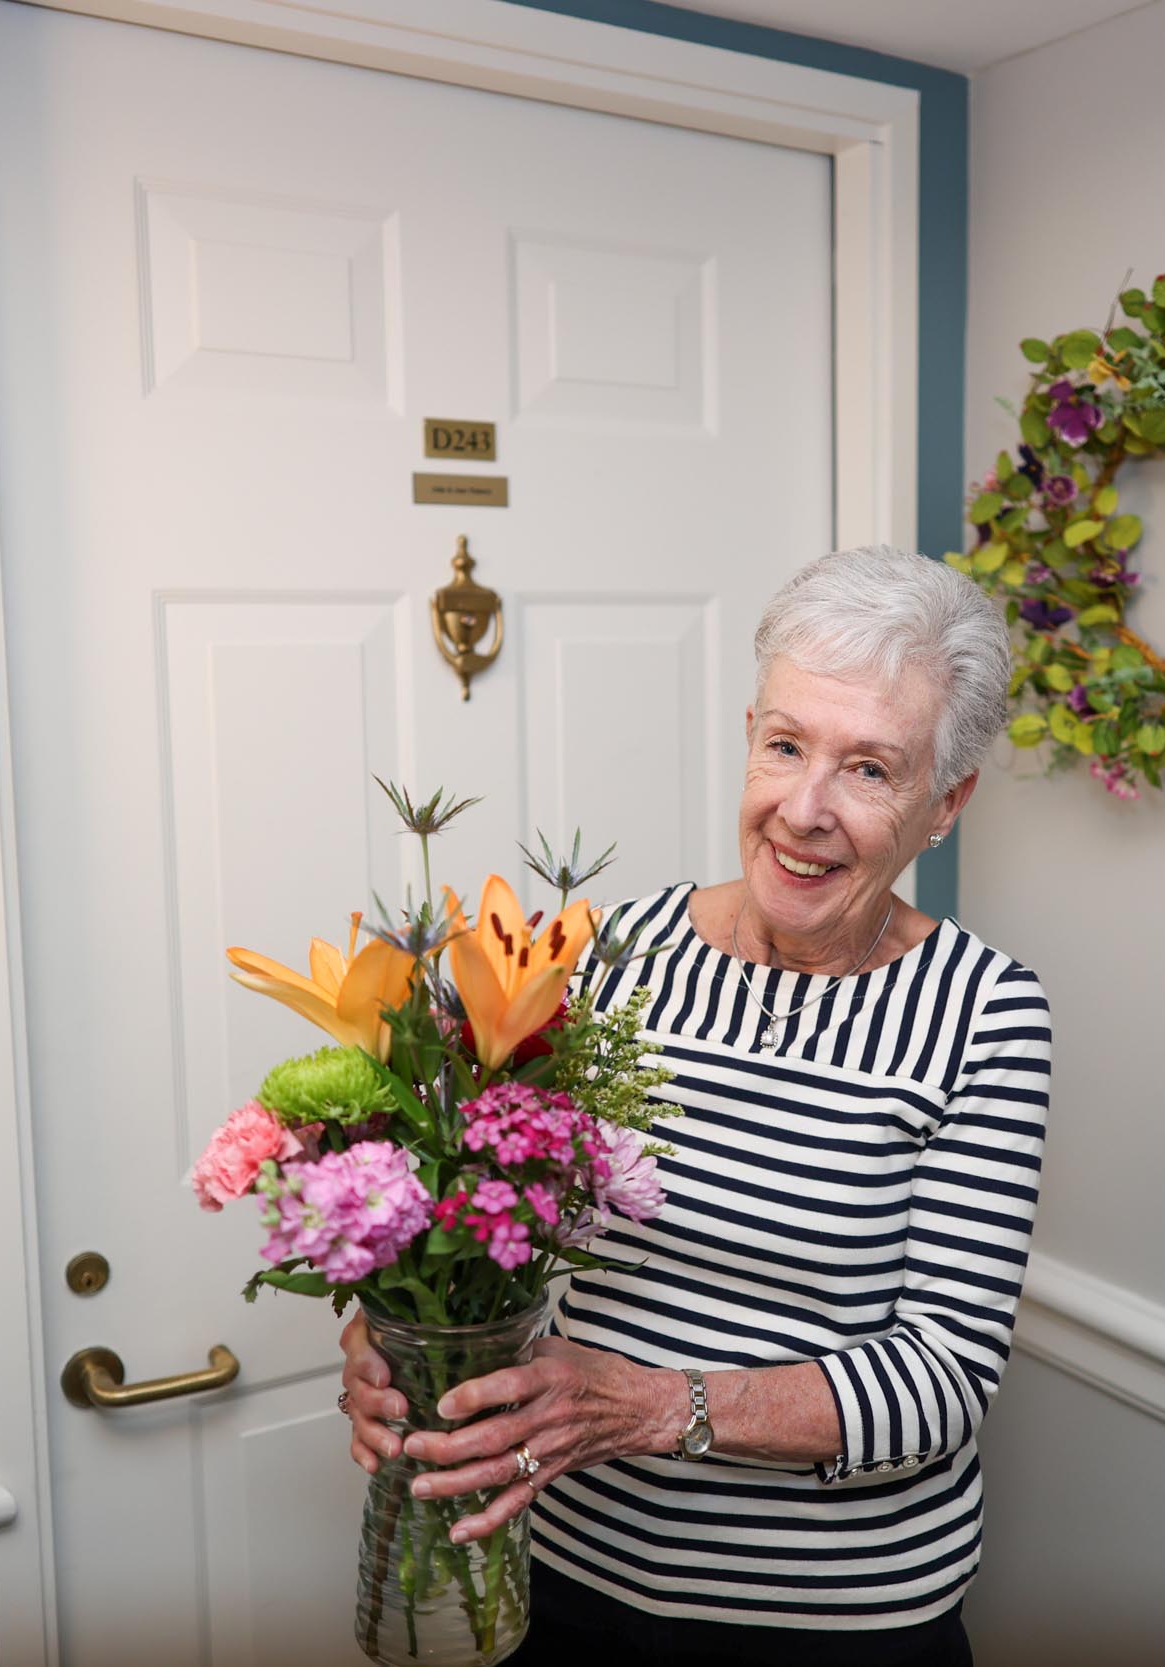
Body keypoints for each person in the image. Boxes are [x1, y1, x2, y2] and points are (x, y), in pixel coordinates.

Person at [340, 546, 1052, 1665]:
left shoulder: (984, 1010)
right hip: (558, 1578)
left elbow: (943, 1375)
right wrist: (397, 1336)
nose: (803, 809)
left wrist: (656, 1406)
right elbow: (472, 1204)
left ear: (945, 802)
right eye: (784, 746)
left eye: (869, 769)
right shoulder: (605, 950)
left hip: (833, 1623)